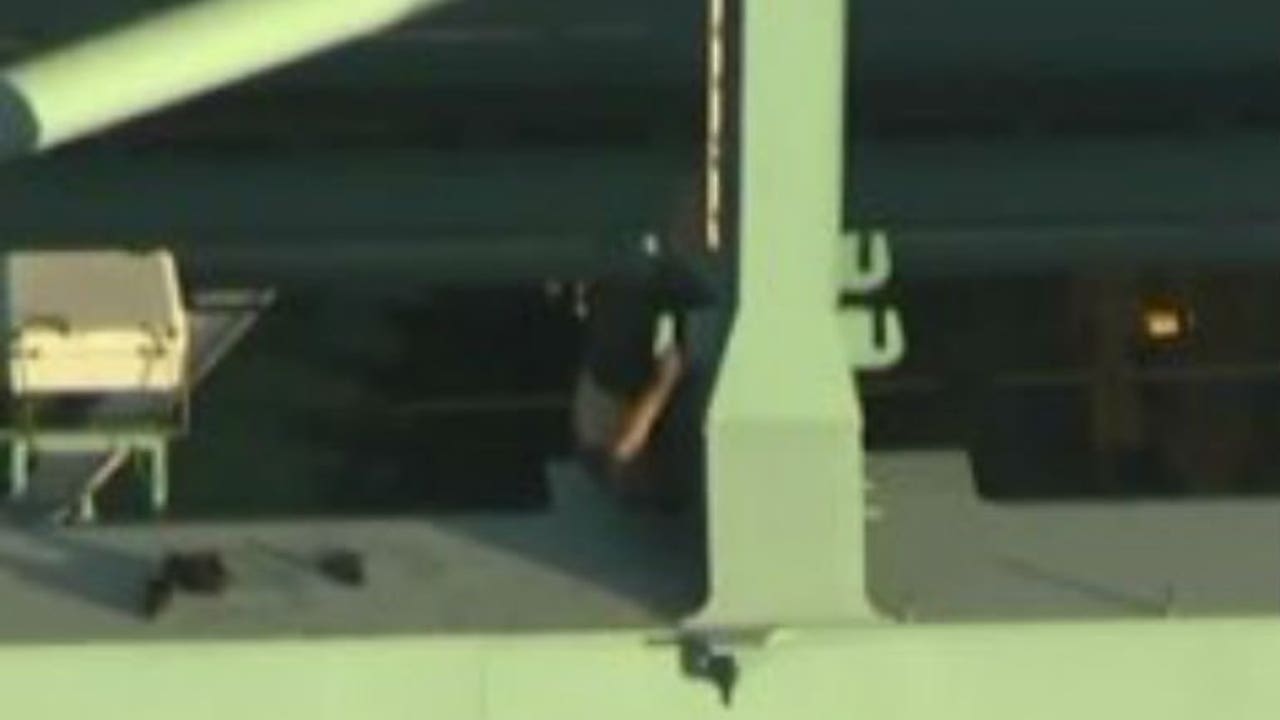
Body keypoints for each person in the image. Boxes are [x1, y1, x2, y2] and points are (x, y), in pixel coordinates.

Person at [571, 262, 692, 508]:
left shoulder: (613, 455)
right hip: (617, 392)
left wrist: (665, 382)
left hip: (611, 392)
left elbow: (625, 450)